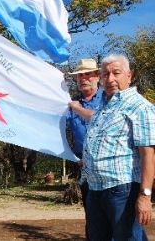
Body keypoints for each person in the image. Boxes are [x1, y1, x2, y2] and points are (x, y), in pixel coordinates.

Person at [82, 54, 155, 240]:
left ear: (129, 76)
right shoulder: (102, 107)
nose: (110, 79)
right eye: (105, 74)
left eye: (116, 73)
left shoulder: (139, 107)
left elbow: (148, 155)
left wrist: (145, 196)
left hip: (122, 191)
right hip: (95, 189)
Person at [65, 58, 104, 237]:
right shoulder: (70, 104)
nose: (83, 79)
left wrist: (77, 109)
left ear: (98, 76)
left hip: (110, 168)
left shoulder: (109, 98)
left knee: (114, 215)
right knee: (92, 217)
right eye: (80, 76)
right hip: (85, 168)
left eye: (88, 74)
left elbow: (100, 119)